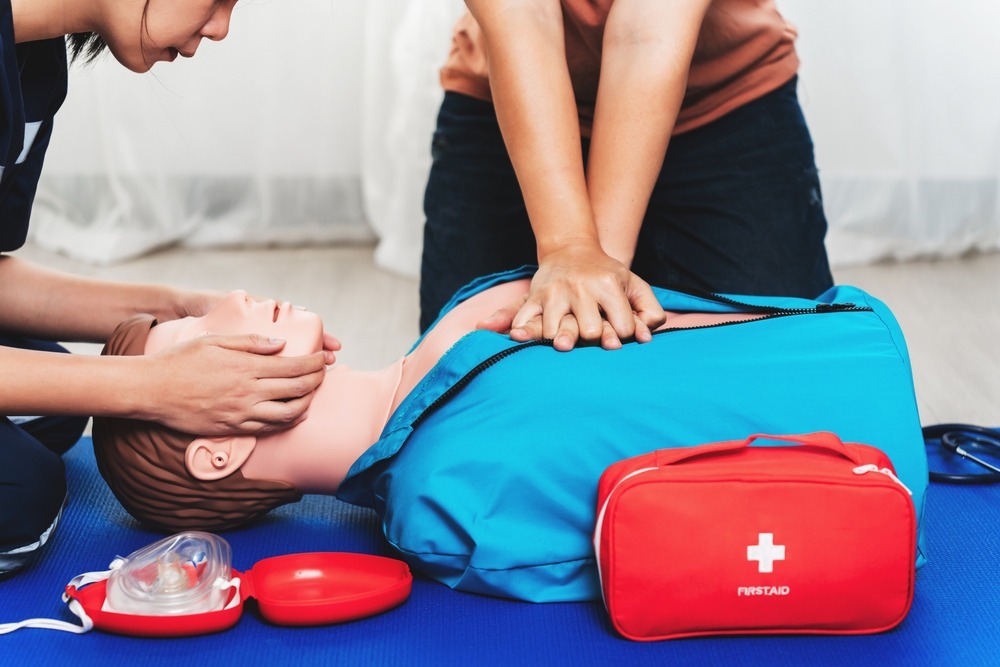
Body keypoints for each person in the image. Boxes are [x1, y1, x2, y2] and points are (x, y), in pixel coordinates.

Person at [92, 269, 928, 603]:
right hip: (862, 478)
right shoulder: (447, 504)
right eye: (196, 341)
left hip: (849, 345)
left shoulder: (458, 324)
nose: (229, 298)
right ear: (218, 451)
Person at [1, 0, 338, 577]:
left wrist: (176, 308)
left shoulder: (32, 64)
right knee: (17, 495)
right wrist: (150, 385)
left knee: (55, 411)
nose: (221, 28)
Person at [420, 0, 834, 352]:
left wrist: (596, 279)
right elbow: (523, 16)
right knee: (460, 374)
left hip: (722, 97)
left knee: (780, 367)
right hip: (507, 98)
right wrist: (568, 248)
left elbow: (646, 32)